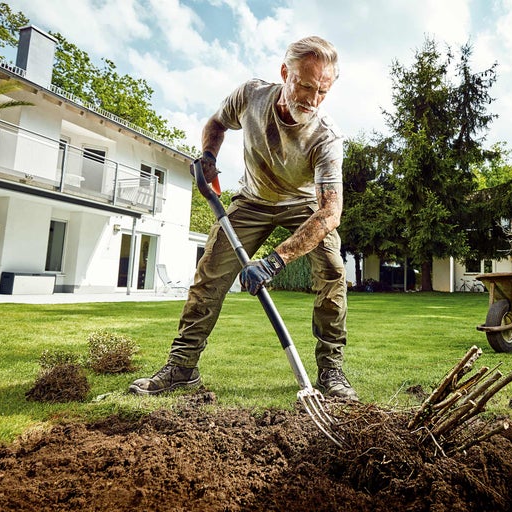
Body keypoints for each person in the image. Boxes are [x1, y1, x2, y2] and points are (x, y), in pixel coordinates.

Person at [129, 36, 357, 400]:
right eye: (305, 86)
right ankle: (182, 367)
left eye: (322, 92)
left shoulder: (327, 138)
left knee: (332, 274)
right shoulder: (251, 96)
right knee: (209, 276)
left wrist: (274, 261)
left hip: (304, 208)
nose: (311, 100)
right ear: (285, 73)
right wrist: (207, 154)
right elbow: (217, 124)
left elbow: (331, 212)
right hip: (253, 200)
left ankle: (331, 372)